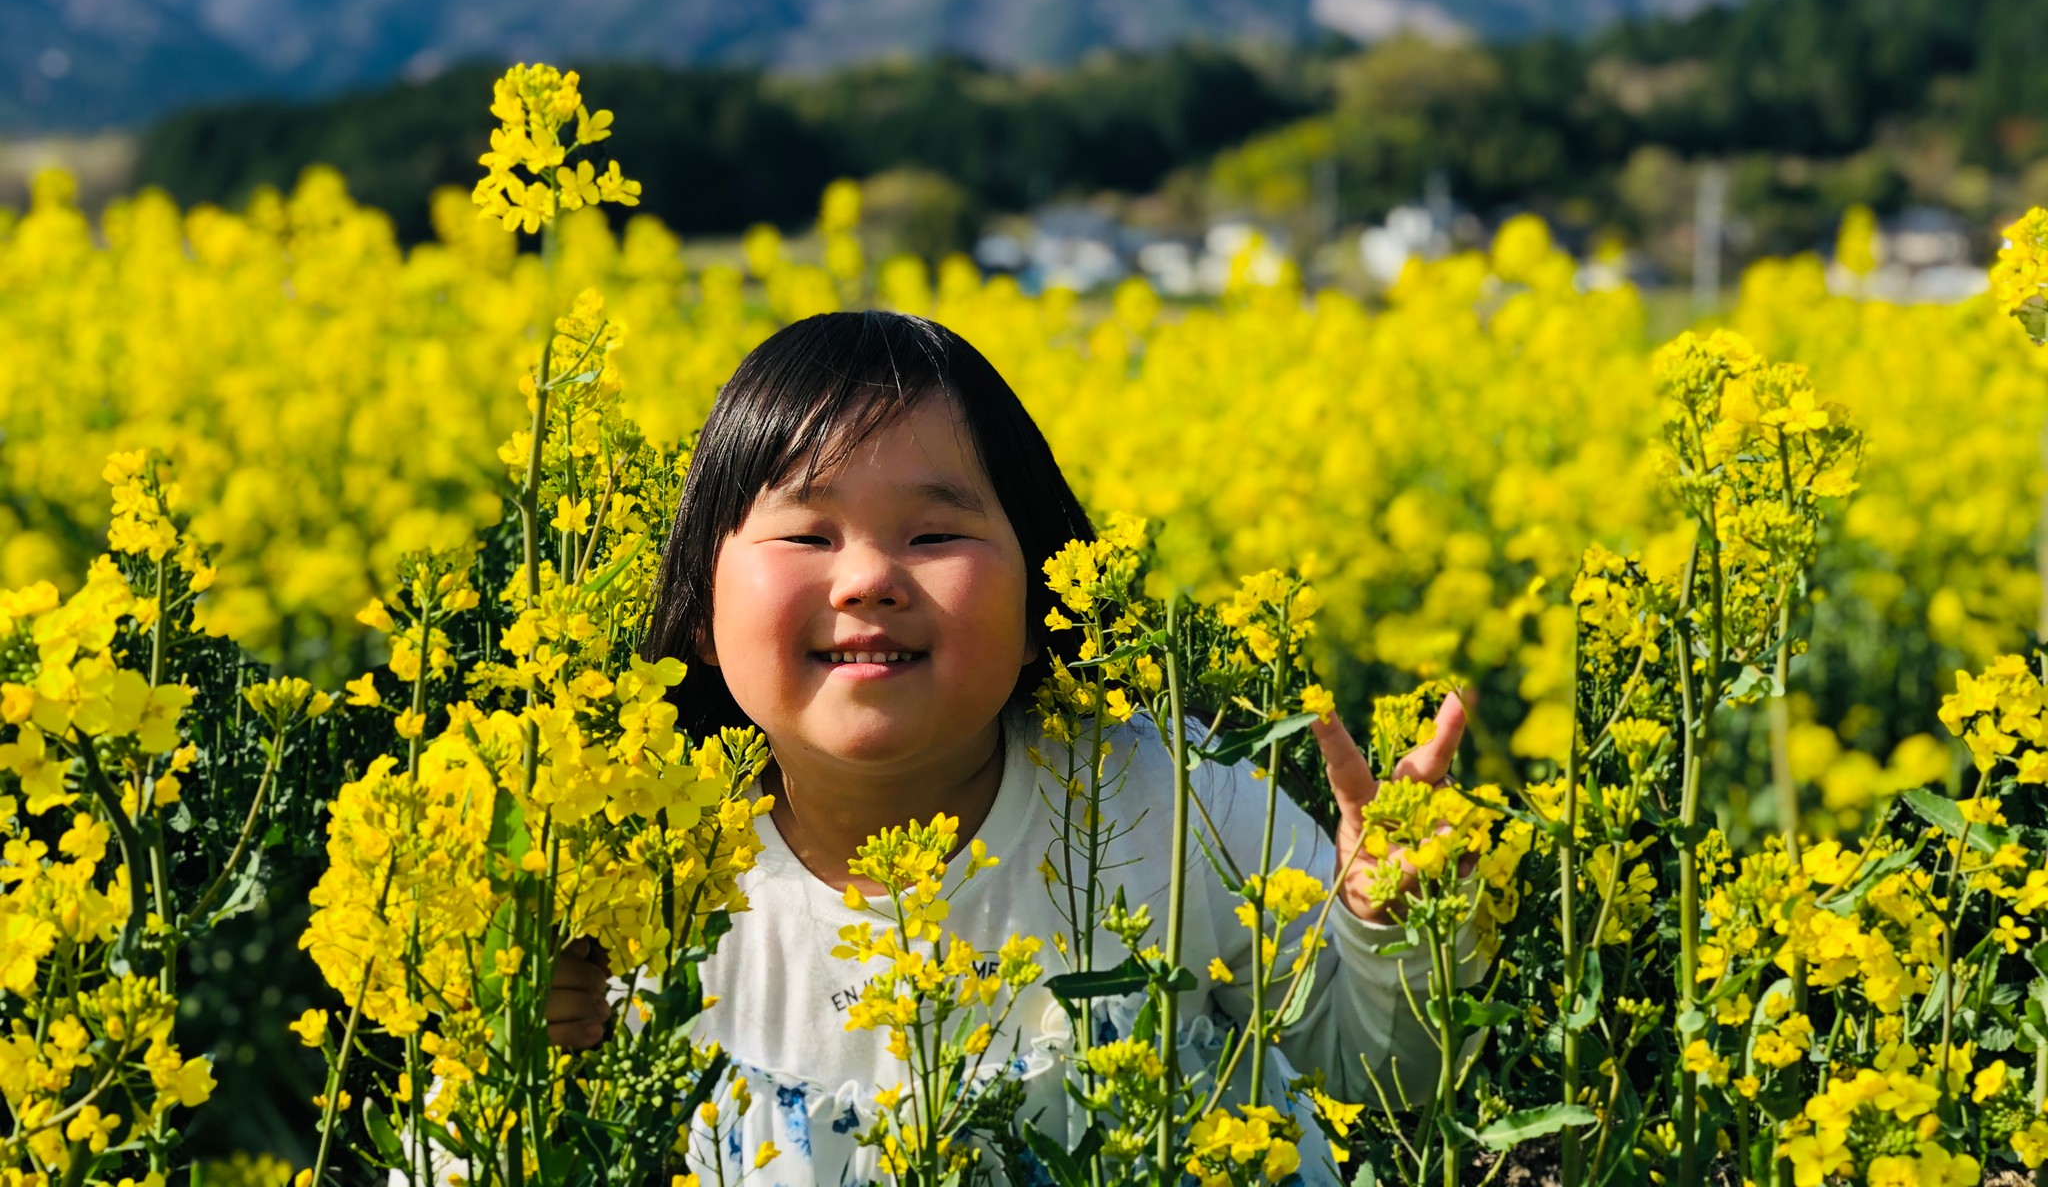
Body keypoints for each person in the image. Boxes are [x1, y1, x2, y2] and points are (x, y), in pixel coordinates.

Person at [545, 310, 1478, 1185]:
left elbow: (1381, 1073)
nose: (868, 578)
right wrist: (530, 1041)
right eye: (807, 533)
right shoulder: (632, 874)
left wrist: (1393, 928)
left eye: (936, 533)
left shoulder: (1173, 799)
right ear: (702, 608)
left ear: (1044, 605)